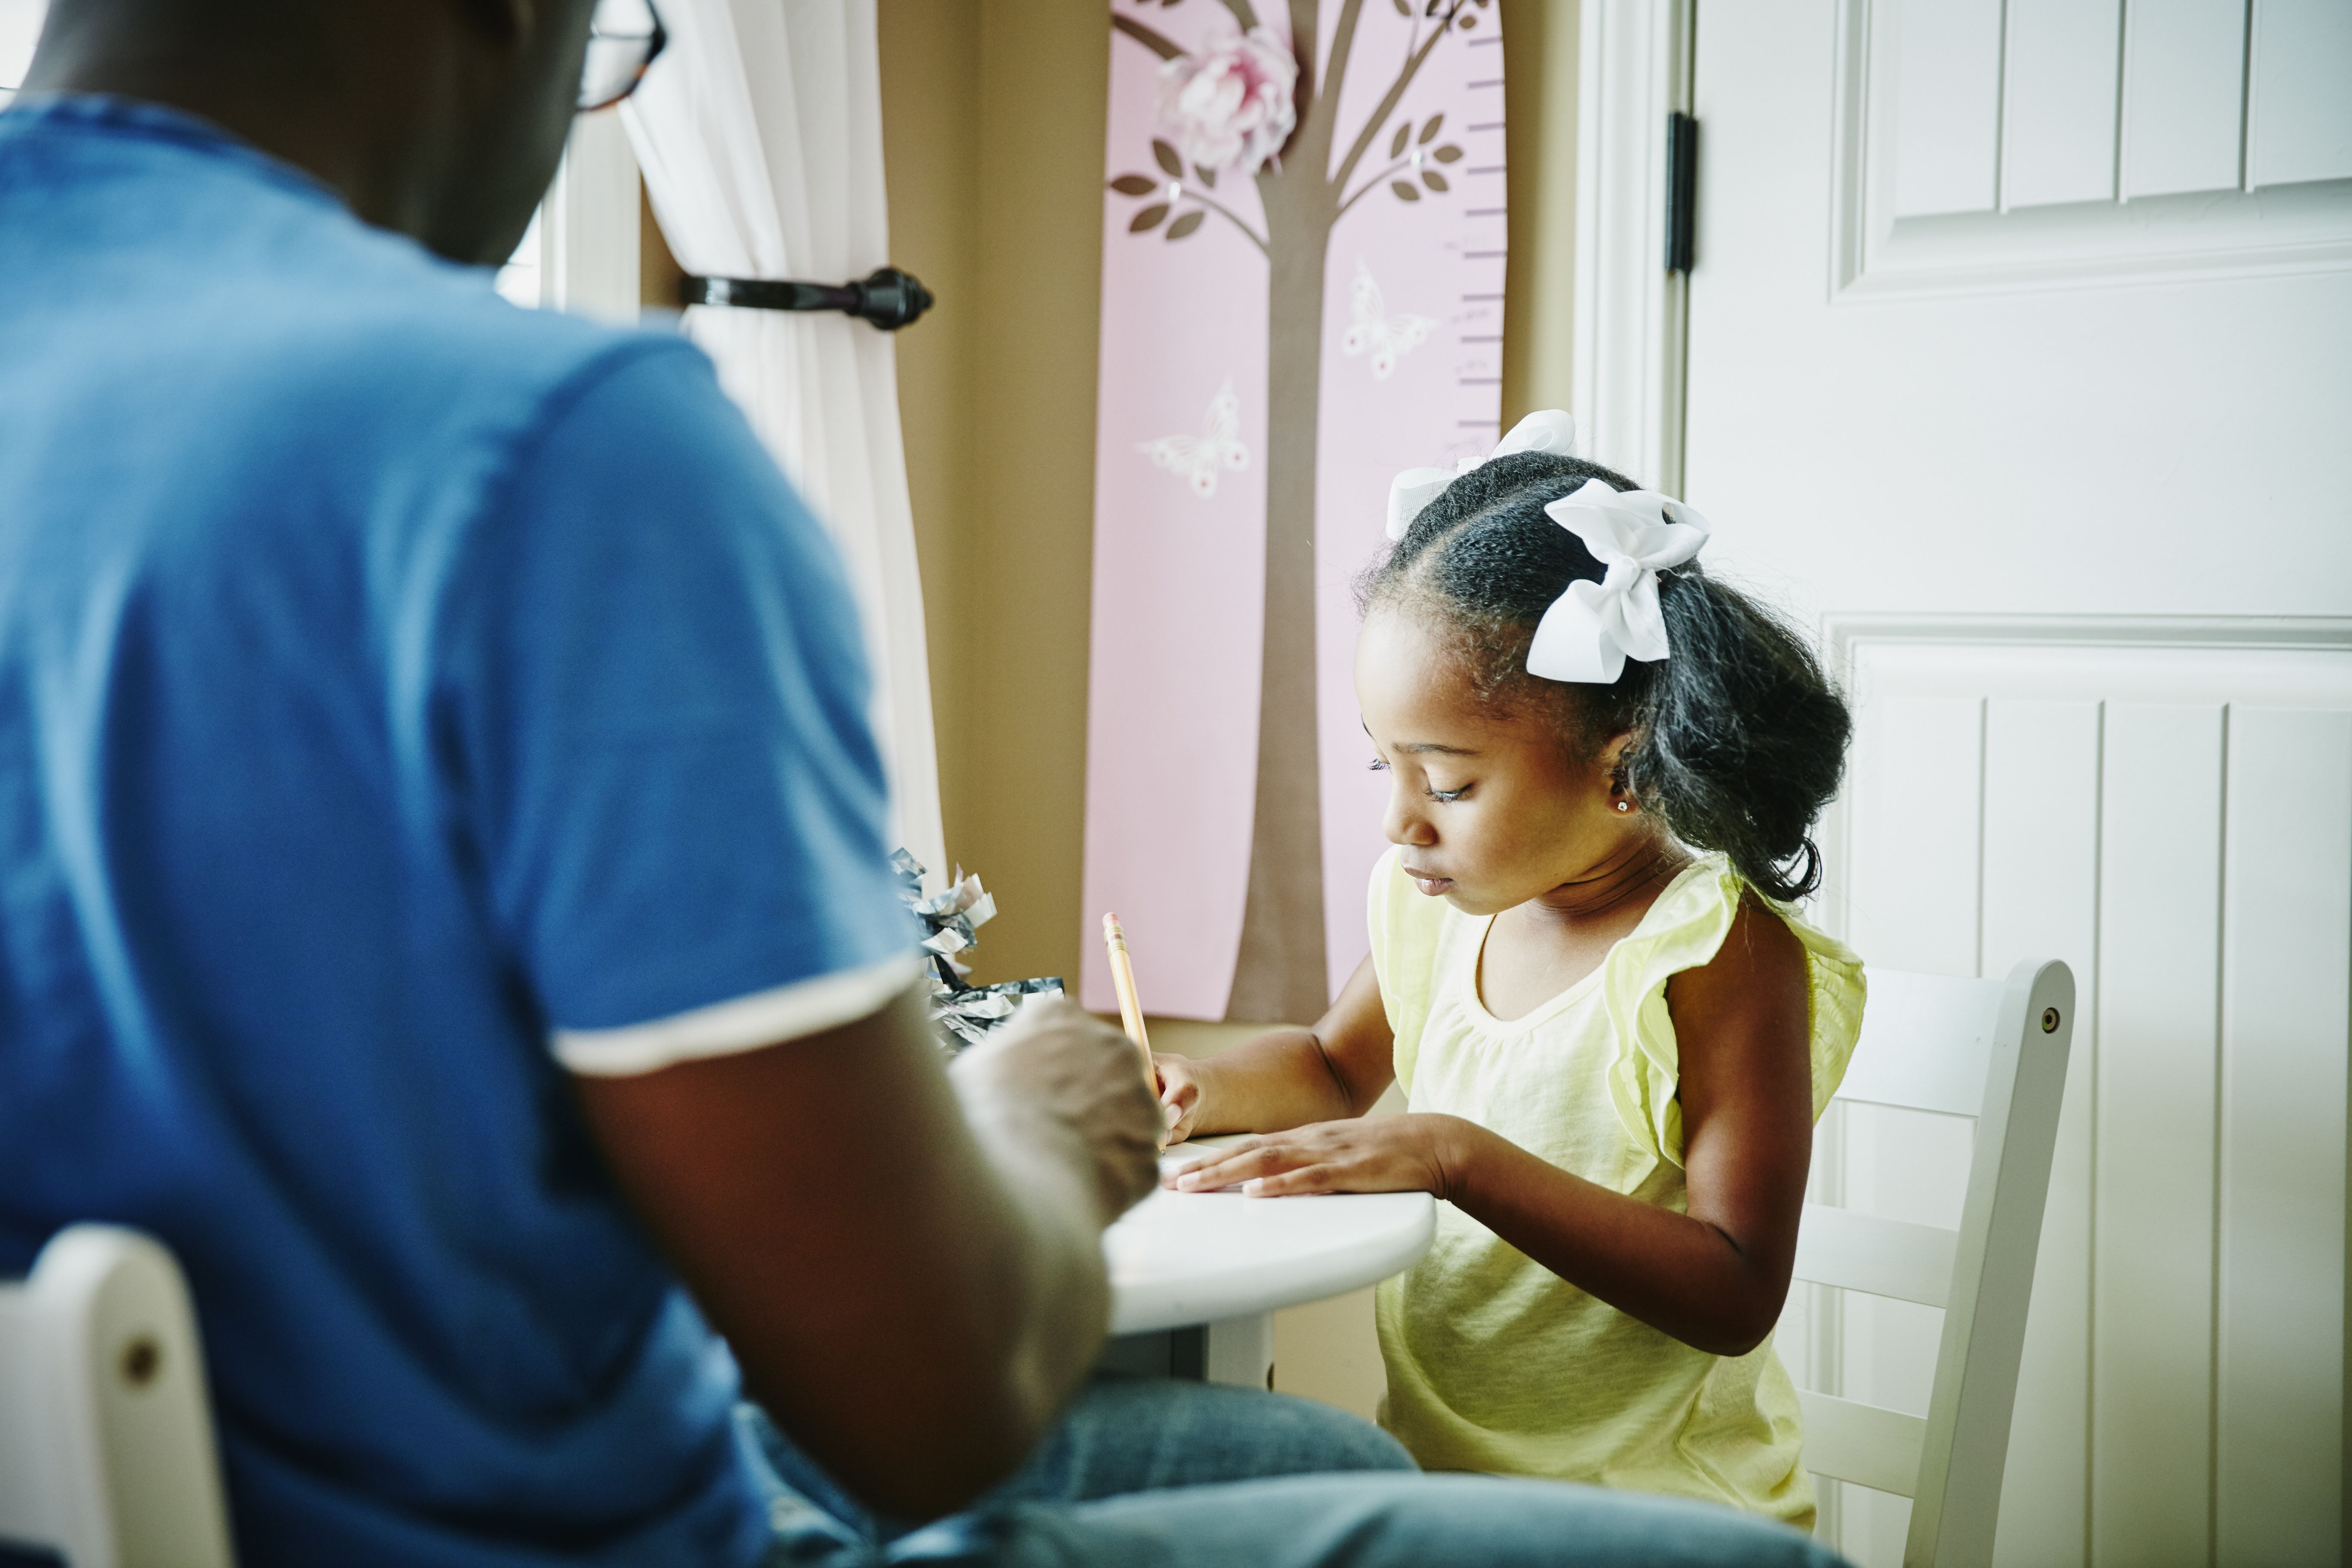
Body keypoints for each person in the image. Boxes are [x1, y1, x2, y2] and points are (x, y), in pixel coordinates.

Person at [0, 0, 1848, 1562]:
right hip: (536, 1513)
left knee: (1332, 1464)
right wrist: (1039, 1113)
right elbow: (922, 1405)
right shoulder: (551, 454)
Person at [1156, 440, 1866, 1531]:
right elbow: (1327, 1065)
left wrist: (1456, 1156)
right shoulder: (1432, 910)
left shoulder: (1712, 959)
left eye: (1446, 781)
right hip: (1452, 1501)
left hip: (1664, 1525)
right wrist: (1195, 1086)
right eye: (1380, 765)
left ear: (1623, 770)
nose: (1400, 822)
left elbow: (1733, 1288)